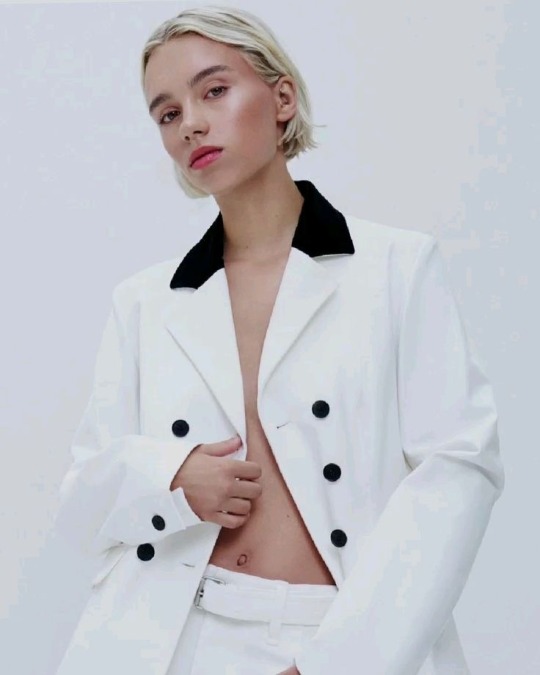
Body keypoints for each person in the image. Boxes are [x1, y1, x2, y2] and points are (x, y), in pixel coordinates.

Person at [53, 5, 505, 675]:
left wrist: (342, 661)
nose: (191, 124)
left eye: (214, 90)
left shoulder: (395, 268)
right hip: (176, 642)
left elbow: (459, 468)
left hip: (344, 636)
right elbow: (83, 502)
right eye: (167, 114)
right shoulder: (145, 301)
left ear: (282, 98)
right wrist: (172, 476)